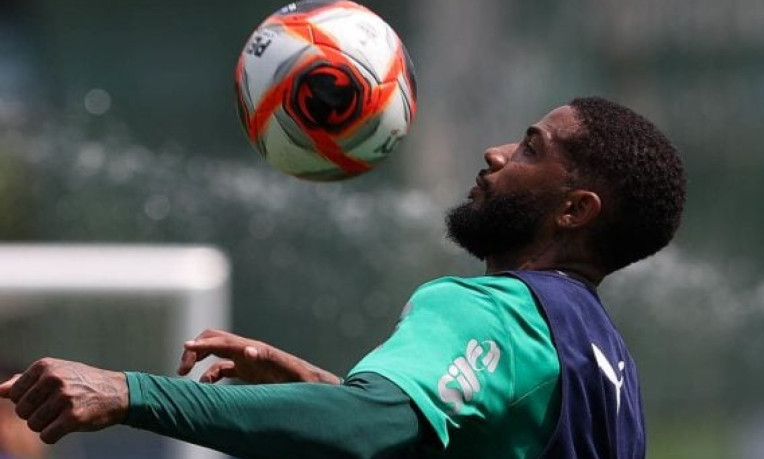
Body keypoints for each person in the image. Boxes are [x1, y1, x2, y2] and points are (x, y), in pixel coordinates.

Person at [0, 96, 686, 458]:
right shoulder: (610, 368)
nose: (497, 151)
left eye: (531, 148)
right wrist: (315, 386)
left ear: (575, 209)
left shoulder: (497, 311)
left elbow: (364, 431)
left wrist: (128, 391)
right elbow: (434, 438)